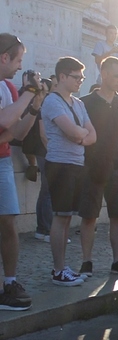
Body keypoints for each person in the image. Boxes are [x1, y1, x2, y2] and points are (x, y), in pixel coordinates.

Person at [41, 56, 96, 286]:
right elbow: (72, 131)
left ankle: (63, 268)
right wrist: (79, 134)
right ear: (62, 76)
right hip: (60, 165)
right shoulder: (52, 101)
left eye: (82, 77)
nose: (80, 81)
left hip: (77, 164)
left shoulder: (79, 104)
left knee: (67, 218)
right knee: (61, 216)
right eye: (76, 77)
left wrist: (79, 135)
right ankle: (58, 270)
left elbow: (92, 135)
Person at [78, 57, 118, 277]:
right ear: (104, 74)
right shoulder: (86, 103)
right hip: (92, 167)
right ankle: (86, 261)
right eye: (117, 76)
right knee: (89, 215)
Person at [0, 33, 44, 310]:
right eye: (17, 60)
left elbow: (16, 133)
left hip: (2, 160)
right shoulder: (16, 90)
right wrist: (29, 91)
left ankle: (10, 283)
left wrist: (35, 105)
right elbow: (4, 120)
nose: (20, 67)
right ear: (4, 57)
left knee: (8, 221)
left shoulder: (8, 89)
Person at [20, 77, 53, 241]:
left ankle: (42, 229)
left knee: (45, 191)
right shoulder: (43, 105)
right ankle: (46, 230)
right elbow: (43, 133)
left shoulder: (40, 104)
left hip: (40, 150)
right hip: (45, 151)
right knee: (48, 192)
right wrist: (52, 152)